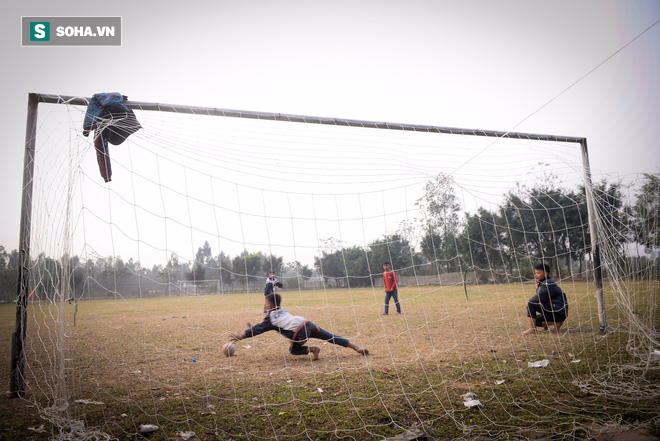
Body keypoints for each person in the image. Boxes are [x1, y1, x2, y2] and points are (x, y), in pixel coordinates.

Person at [231, 293, 370, 360]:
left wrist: (241, 336)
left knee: (293, 350)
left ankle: (313, 349)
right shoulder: (282, 310)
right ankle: (357, 347)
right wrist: (252, 327)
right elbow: (261, 325)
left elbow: (258, 329)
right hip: (306, 323)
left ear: (269, 305)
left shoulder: (271, 319)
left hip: (300, 331)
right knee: (329, 336)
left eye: (266, 303)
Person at [522, 263, 569, 335]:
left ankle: (532, 329)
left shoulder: (548, 284)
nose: (536, 275)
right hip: (554, 312)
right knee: (535, 320)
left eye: (538, 273)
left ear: (546, 273)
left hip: (558, 312)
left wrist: (529, 304)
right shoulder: (544, 282)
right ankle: (556, 323)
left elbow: (538, 298)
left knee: (531, 304)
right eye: (535, 273)